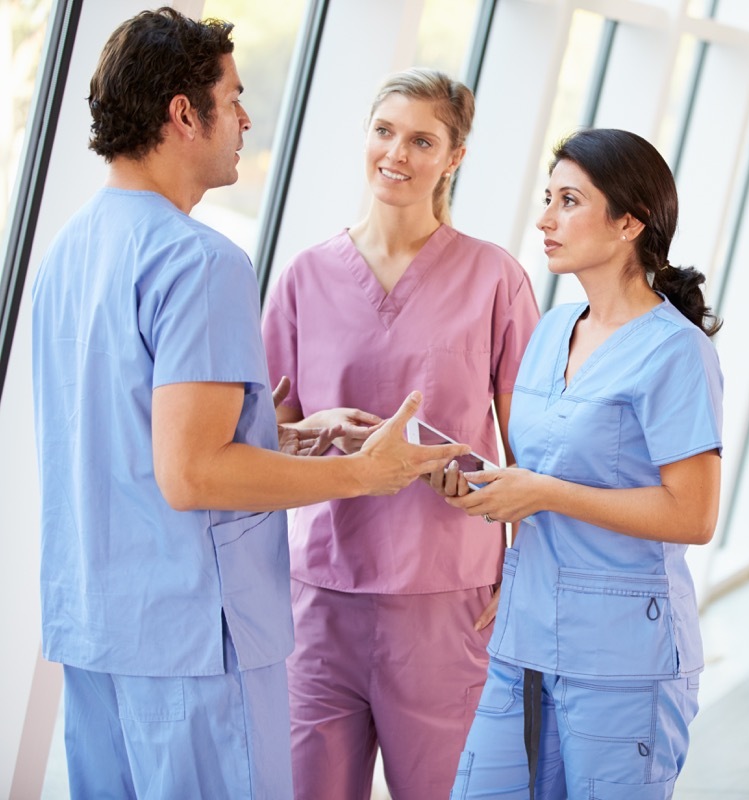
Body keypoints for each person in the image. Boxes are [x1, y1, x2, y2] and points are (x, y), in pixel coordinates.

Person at [30, 10, 468, 799]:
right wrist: (365, 474)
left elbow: (133, 437)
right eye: (232, 99)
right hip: (194, 641)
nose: (246, 119)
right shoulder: (199, 261)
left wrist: (281, 434)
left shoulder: (70, 250)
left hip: (96, 626)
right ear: (183, 114)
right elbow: (193, 475)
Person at [260, 67, 539, 799]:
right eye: (385, 131)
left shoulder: (495, 280)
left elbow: (533, 446)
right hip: (321, 593)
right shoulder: (305, 278)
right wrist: (309, 430)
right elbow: (264, 436)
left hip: (449, 597)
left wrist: (526, 567)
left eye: (422, 140)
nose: (397, 153)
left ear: (454, 158)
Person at [445, 128, 724, 798]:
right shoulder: (550, 331)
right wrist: (483, 487)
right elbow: (538, 468)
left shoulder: (676, 351)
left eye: (569, 201)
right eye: (548, 199)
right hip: (525, 639)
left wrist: (543, 492)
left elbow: (693, 515)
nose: (546, 219)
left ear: (630, 222)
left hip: (624, 659)